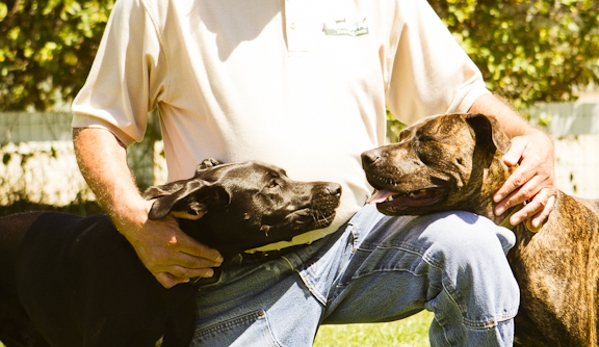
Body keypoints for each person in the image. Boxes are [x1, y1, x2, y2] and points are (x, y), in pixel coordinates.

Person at [71, 0, 556, 345]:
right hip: (236, 271)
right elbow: (99, 123)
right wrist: (135, 220)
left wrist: (533, 138)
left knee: (470, 245)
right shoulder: (157, 5)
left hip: (362, 237)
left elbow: (460, 94)